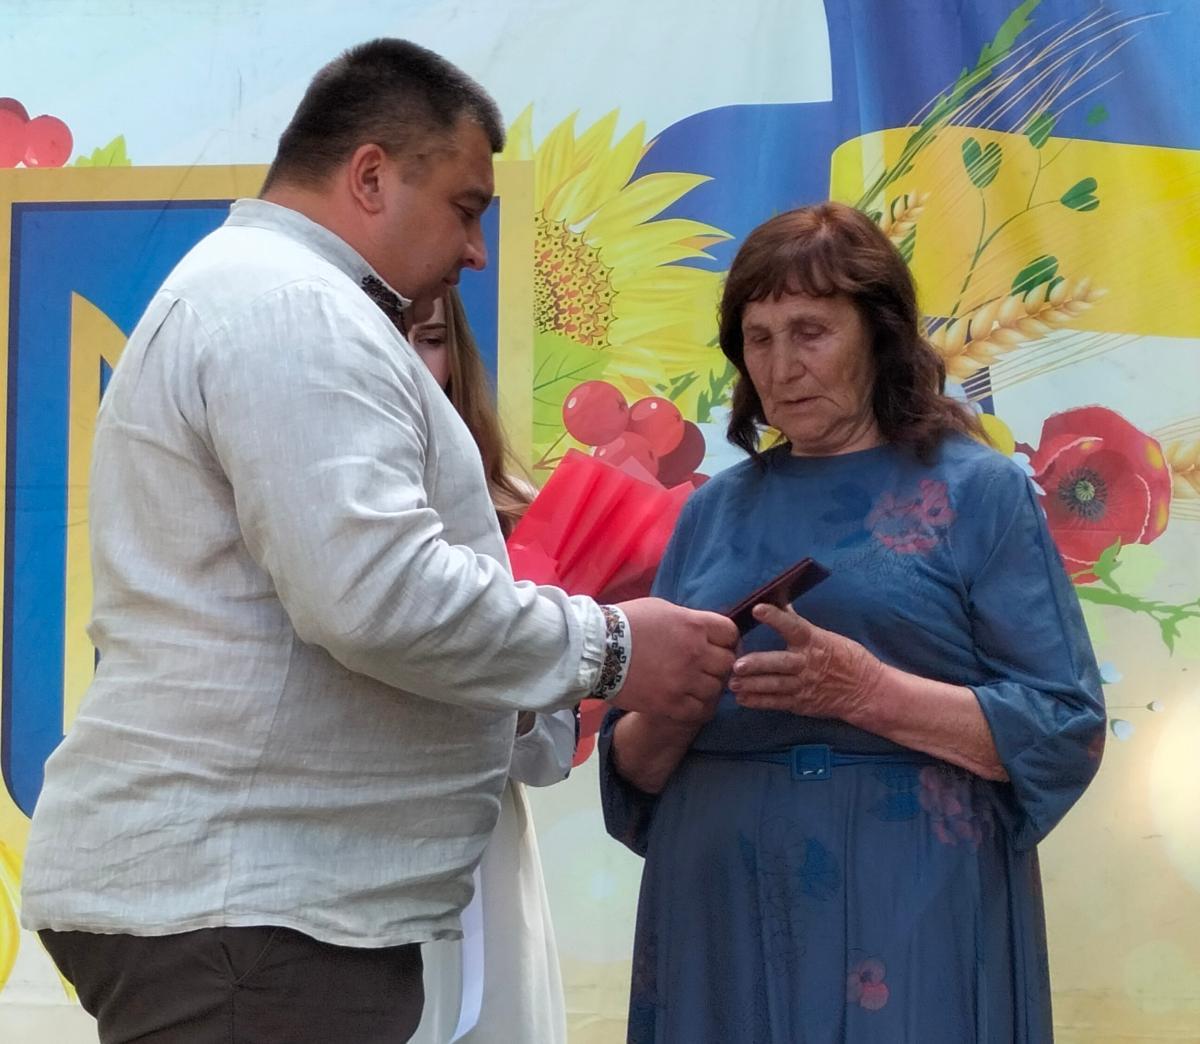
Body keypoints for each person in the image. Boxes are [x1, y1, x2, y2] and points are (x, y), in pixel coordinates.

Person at [20, 38, 738, 1044]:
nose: (477, 250)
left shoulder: (277, 298)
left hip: (259, 913)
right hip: (248, 917)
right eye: (465, 207)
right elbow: (372, 593)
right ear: (369, 177)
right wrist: (611, 647)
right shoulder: (292, 307)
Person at [600, 201, 1106, 1043]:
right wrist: (672, 707)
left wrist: (866, 693)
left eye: (810, 332)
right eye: (758, 338)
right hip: (717, 910)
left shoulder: (980, 492)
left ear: (879, 333)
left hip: (910, 907)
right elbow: (632, 772)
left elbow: (1063, 728)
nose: (782, 365)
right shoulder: (711, 512)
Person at [403, 288, 571, 1044]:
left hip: (483, 861)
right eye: (387, 338)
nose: (410, 364)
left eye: (431, 340)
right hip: (338, 858)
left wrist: (516, 685)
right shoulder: (295, 511)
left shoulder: (517, 514)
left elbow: (548, 754)